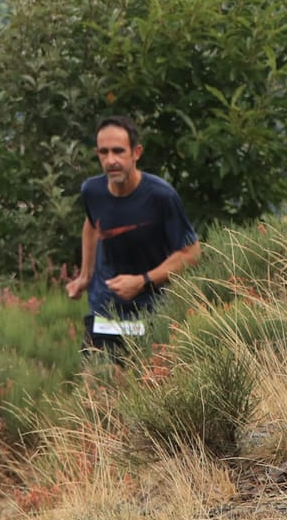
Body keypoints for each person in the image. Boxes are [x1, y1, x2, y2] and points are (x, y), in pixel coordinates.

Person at [63, 116, 201, 355]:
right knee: (98, 384)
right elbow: (92, 225)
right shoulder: (91, 191)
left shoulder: (161, 196)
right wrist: (85, 275)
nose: (111, 160)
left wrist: (142, 281)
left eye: (118, 151)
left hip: (151, 313)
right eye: (103, 153)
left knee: (148, 387)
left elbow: (191, 253)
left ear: (136, 153)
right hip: (104, 311)